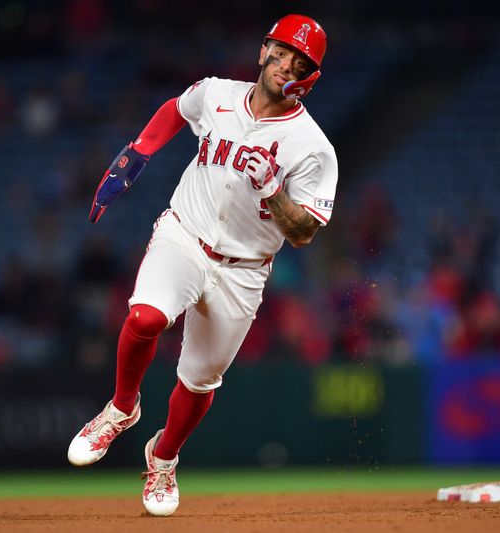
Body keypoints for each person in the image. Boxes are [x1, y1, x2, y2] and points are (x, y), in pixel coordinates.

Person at [67, 14, 337, 516]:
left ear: (310, 77)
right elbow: (176, 108)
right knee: (145, 317)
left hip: (244, 267)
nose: (285, 65)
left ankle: (163, 458)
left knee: (199, 380)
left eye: (299, 62)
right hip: (184, 234)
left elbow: (303, 233)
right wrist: (139, 152)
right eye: (280, 52)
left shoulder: (314, 148)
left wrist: (273, 189)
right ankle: (122, 408)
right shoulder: (216, 93)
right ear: (263, 51)